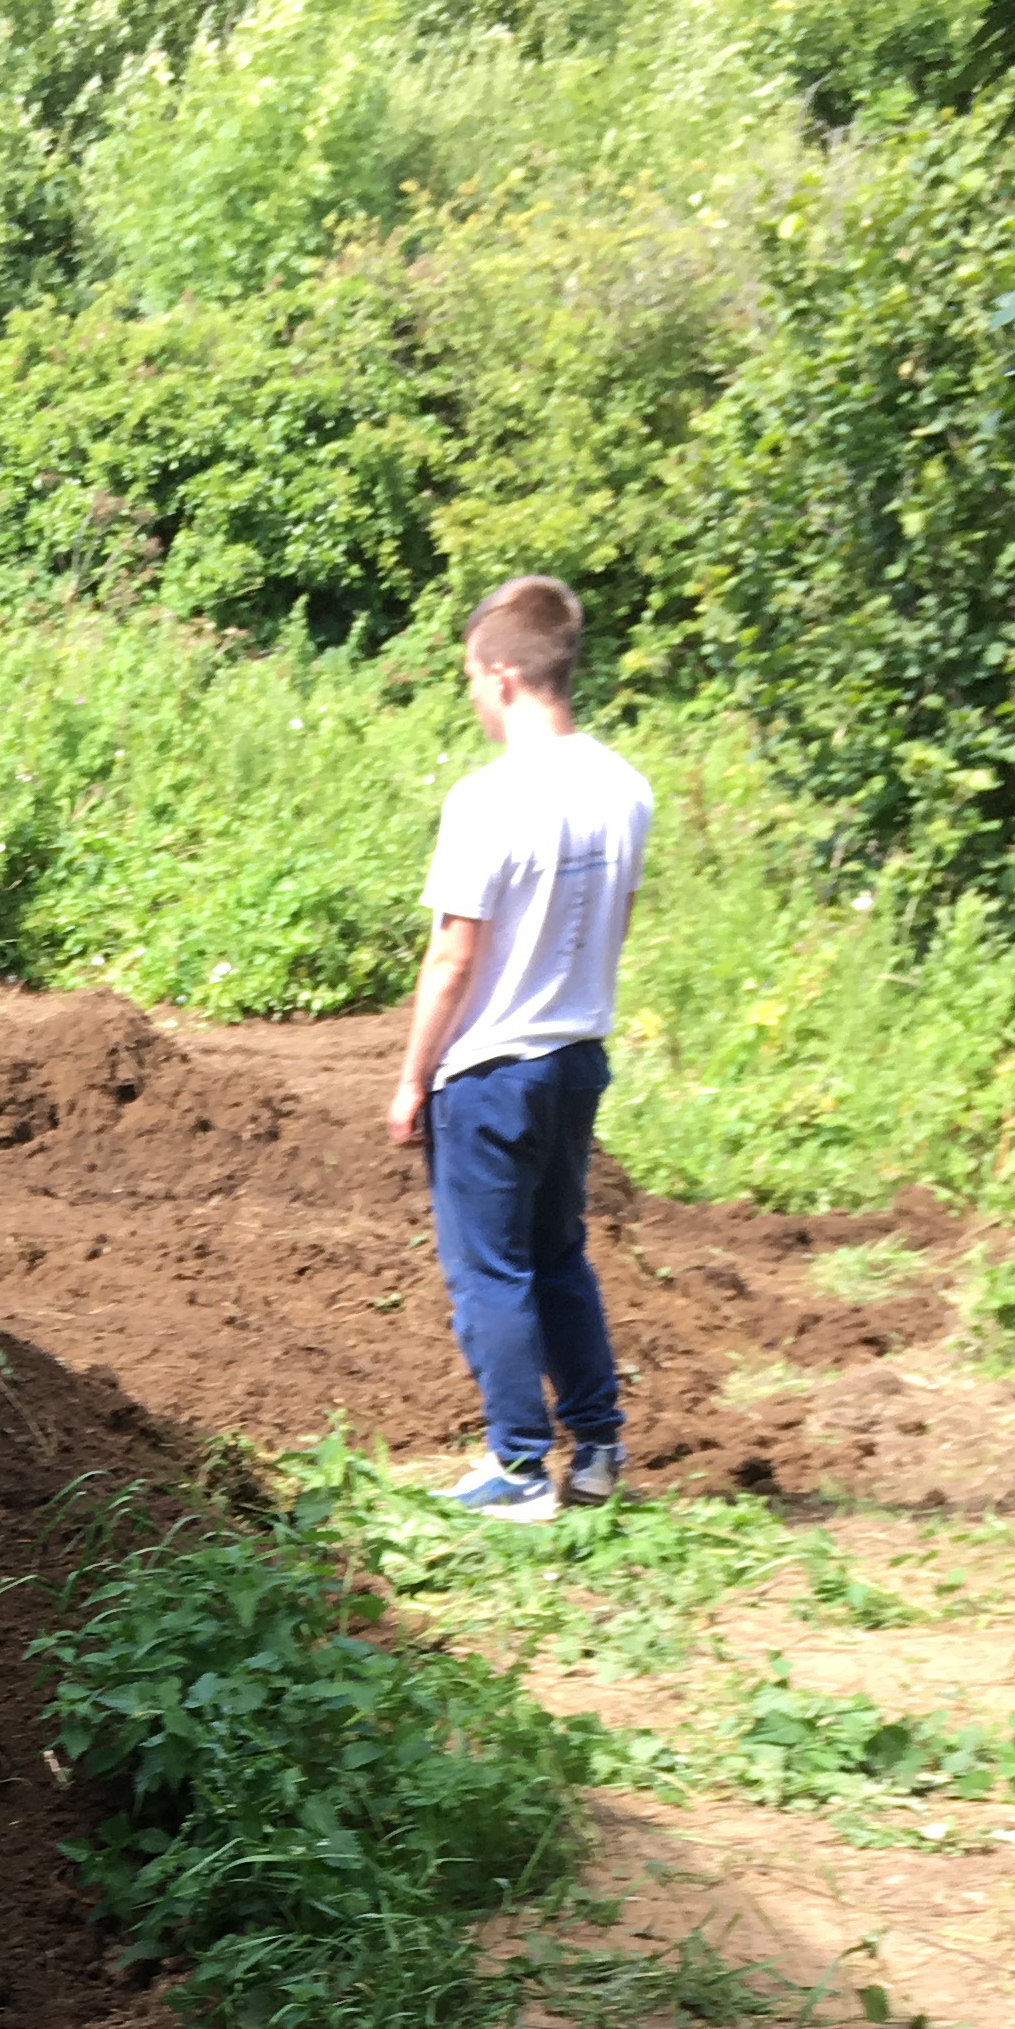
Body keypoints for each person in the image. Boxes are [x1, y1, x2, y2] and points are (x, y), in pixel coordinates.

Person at [386, 575, 654, 1518]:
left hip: (492, 1070)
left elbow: (453, 957)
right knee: (559, 1256)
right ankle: (599, 1449)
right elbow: (617, 924)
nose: (471, 693)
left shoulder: (487, 800)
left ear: (501, 674)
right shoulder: (626, 787)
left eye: (470, 676)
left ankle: (519, 1468)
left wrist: (412, 1078)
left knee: (489, 1273)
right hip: (577, 1056)